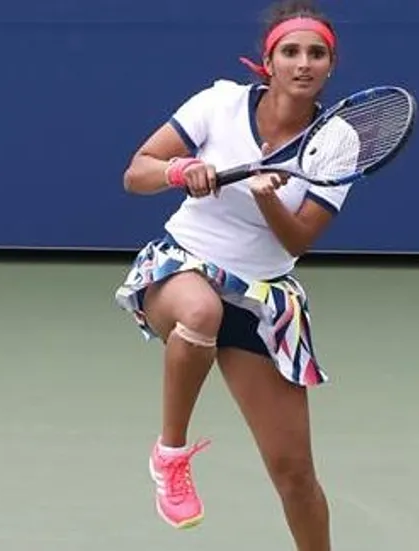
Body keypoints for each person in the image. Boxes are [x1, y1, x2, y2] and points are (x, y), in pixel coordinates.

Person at [114, 1, 345, 548]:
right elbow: (135, 173)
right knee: (200, 311)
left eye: (317, 54)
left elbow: (299, 239)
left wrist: (265, 199)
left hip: (263, 299)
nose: (303, 63)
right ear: (269, 62)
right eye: (291, 51)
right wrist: (180, 170)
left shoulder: (338, 141)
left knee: (295, 477)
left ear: (330, 67)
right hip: (183, 268)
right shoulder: (218, 103)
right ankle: (170, 455)